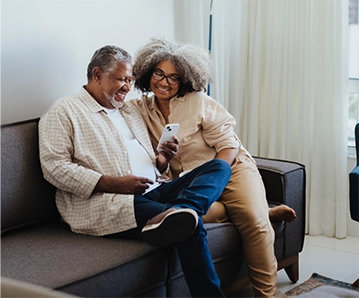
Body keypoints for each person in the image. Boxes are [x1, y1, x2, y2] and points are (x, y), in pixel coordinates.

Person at [38, 45, 233, 298]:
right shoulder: (65, 111)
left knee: (218, 166)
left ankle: (181, 208)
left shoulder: (128, 110)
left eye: (130, 80)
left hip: (155, 189)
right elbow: (54, 167)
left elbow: (147, 161)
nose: (127, 87)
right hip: (111, 202)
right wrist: (114, 184)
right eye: (121, 79)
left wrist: (162, 159)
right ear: (97, 75)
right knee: (189, 227)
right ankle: (183, 219)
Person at [129, 37, 296, 298]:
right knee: (190, 217)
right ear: (148, 72)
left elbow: (228, 147)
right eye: (159, 73)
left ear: (185, 78)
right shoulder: (139, 109)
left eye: (173, 78)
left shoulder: (199, 102)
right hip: (190, 183)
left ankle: (268, 294)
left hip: (230, 168)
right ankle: (262, 209)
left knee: (253, 221)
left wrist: (216, 176)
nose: (164, 82)